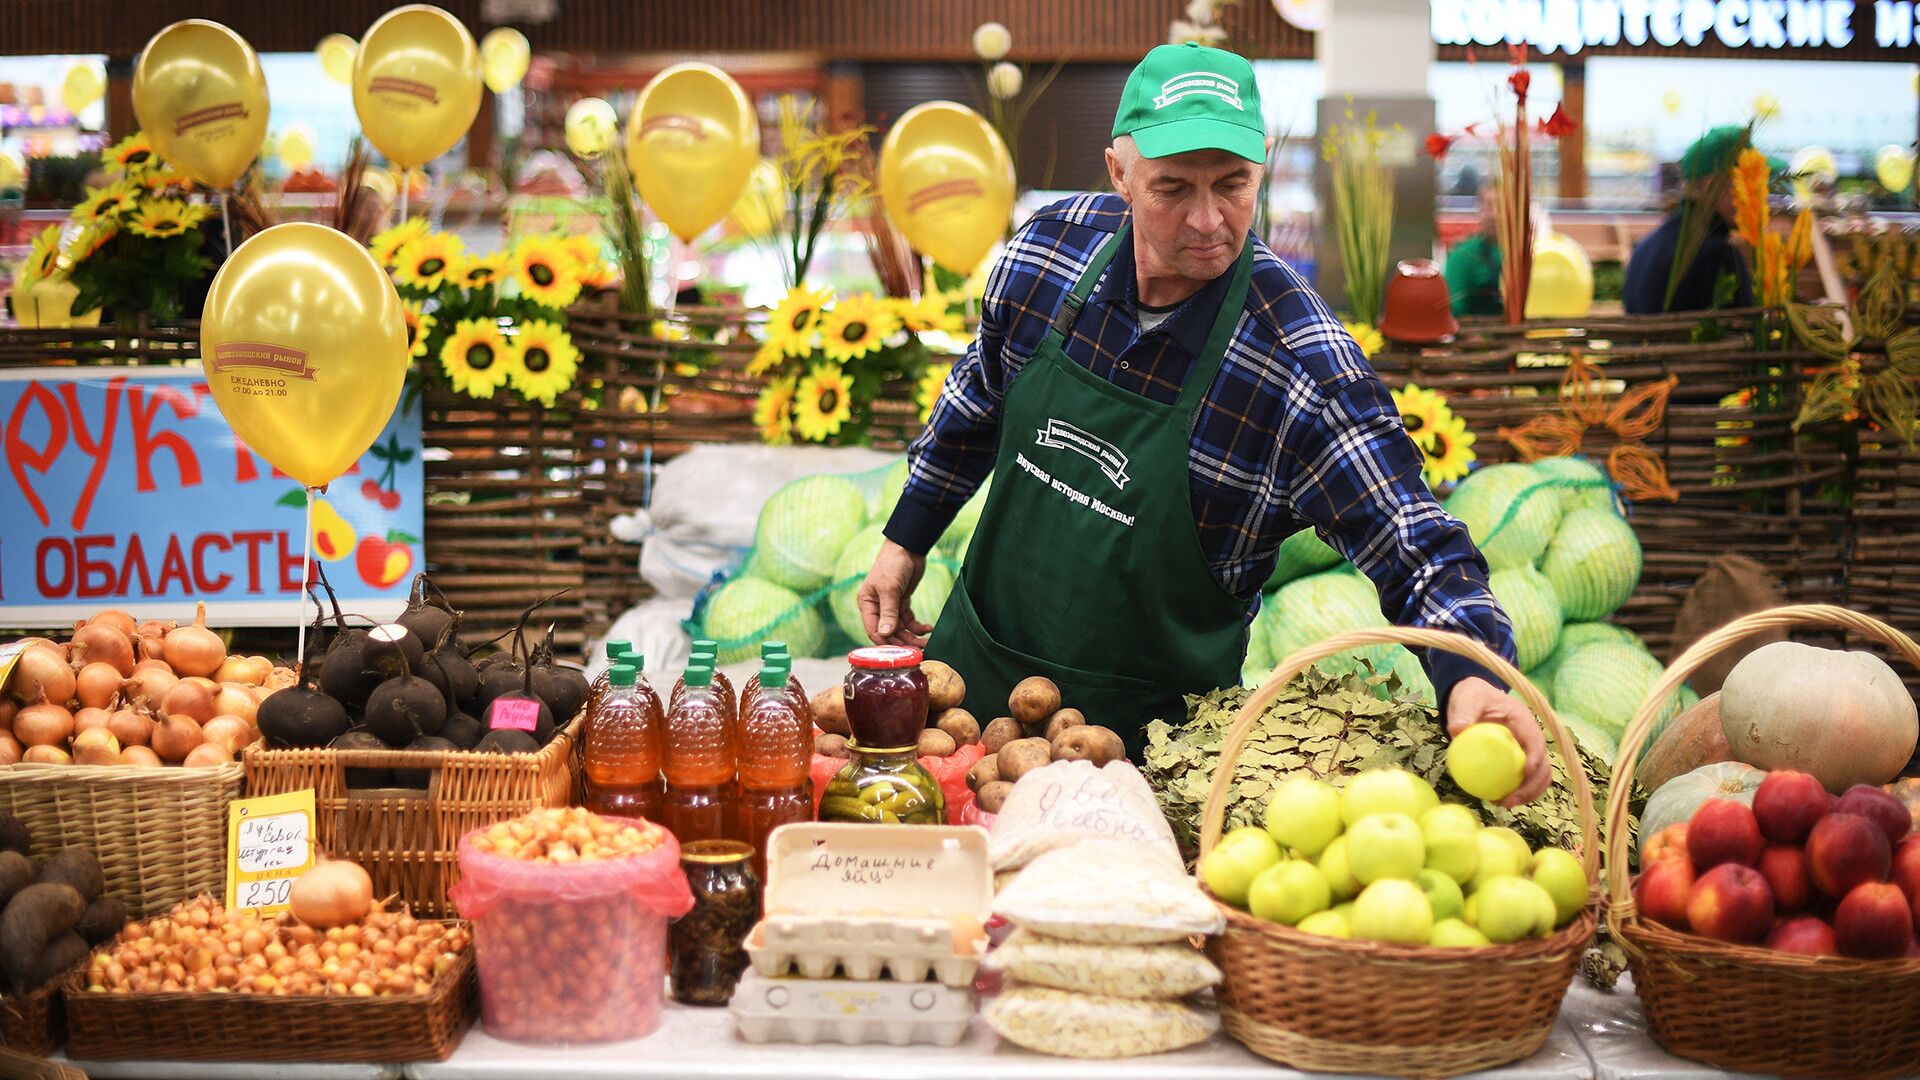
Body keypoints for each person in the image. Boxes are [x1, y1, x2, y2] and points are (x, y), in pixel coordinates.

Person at [859, 42, 1549, 805]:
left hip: (1147, 770)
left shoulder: (1298, 366)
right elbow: (975, 400)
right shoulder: (1046, 255)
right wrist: (906, 538)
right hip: (967, 721)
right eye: (1172, 188)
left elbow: (1413, 539)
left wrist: (1476, 676)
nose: (1208, 219)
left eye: (1233, 185)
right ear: (1119, 173)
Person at [1622, 126, 1756, 314]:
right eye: (1749, 182)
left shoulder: (1645, 247)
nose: (1757, 196)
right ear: (1711, 186)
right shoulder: (1718, 256)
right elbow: (1744, 335)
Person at [1444, 183, 1504, 318]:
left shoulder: (1526, 257)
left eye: (1501, 207)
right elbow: (1454, 311)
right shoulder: (1462, 256)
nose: (1494, 215)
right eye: (1489, 206)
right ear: (1479, 209)